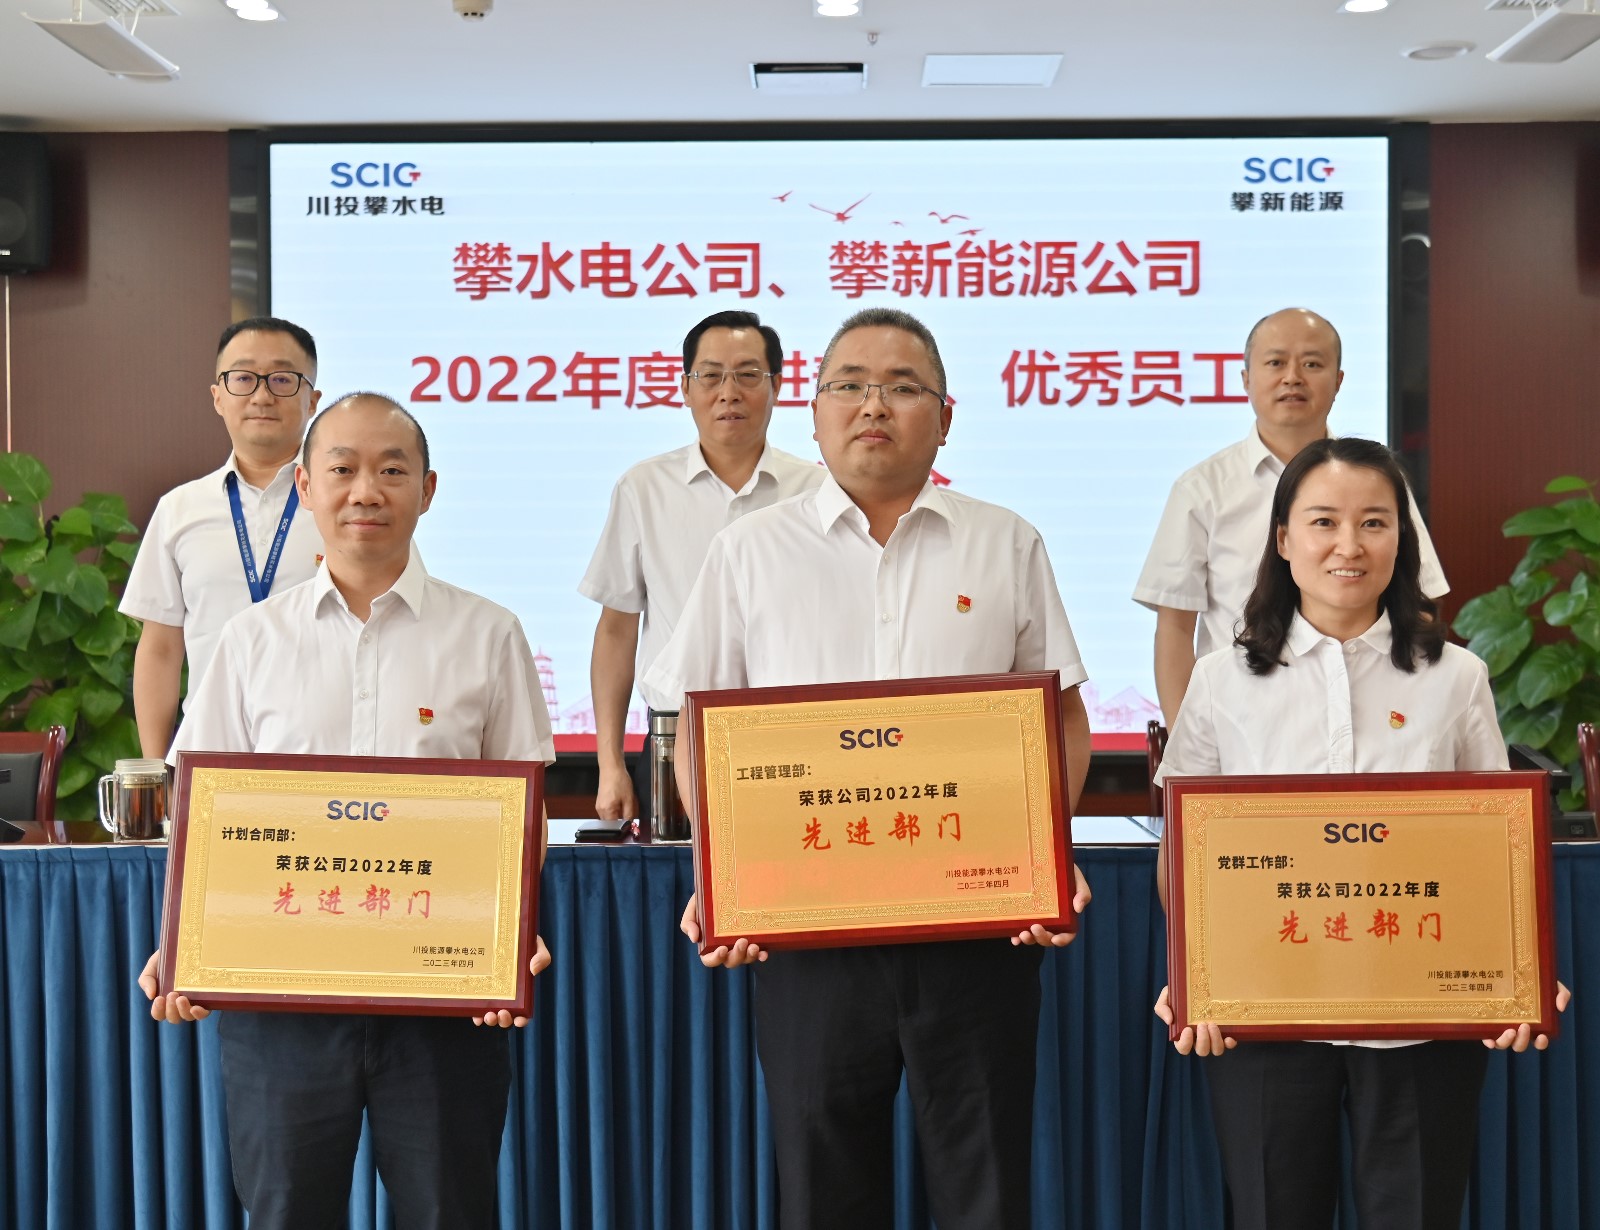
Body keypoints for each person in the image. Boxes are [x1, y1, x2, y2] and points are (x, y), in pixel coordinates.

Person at [645, 307, 1093, 1229]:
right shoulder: (749, 550)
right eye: (848, 385)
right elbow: (698, 724)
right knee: (823, 1185)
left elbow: (1061, 716)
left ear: (945, 417)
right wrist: (722, 870)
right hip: (809, 934)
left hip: (976, 927)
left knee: (985, 1185)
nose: (873, 405)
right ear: (813, 413)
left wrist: (1044, 852)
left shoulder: (1005, 542)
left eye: (901, 386)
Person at [138, 393, 555, 1230]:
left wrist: (507, 930)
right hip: (282, 1001)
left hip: (443, 999)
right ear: (305, 486)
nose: (367, 490)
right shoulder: (251, 641)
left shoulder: (489, 634)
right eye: (343, 469)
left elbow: (524, 814)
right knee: (286, 1211)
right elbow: (203, 812)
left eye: (392, 470)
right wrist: (184, 941)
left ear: (427, 491)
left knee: (449, 1211)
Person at [1151, 436, 1570, 1230]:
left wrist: (1522, 969)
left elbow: (1496, 845)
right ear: (1283, 540)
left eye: (1375, 522)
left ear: (1401, 541)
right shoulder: (1220, 679)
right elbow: (1185, 846)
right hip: (1264, 1017)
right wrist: (1196, 970)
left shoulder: (1457, 676)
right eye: (1324, 522)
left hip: (1421, 1022)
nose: (1349, 545)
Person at [1133, 307, 1449, 727]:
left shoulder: (1378, 482)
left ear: (1339, 381)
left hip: (1366, 716)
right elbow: (1175, 628)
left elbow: (1419, 598)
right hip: (1241, 723)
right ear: (1246, 379)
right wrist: (1185, 739)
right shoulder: (1202, 490)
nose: (1293, 377)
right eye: (1275, 362)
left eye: (1312, 364)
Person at [579, 310, 822, 824]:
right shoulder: (644, 488)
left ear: (777, 387)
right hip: (674, 740)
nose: (728, 393)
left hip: (793, 738)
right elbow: (617, 631)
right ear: (685, 389)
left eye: (748, 375)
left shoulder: (818, 492)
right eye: (710, 376)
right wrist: (609, 762)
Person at [120, 317, 327, 756]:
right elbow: (160, 649)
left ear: (313, 401)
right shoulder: (180, 510)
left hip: (319, 754)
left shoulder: (347, 509)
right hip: (209, 754)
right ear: (218, 397)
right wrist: (158, 766)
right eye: (244, 378)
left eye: (283, 379)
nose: (262, 396)